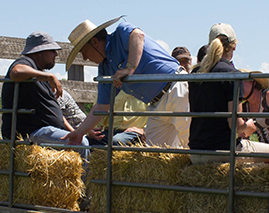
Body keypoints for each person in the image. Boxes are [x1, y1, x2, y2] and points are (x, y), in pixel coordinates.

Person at [63, 17, 184, 146]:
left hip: (175, 87)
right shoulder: (105, 68)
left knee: (191, 141)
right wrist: (80, 132)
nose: (85, 58)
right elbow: (102, 106)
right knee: (155, 154)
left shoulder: (121, 32)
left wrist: (129, 68)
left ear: (94, 42)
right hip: (156, 104)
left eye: (84, 52)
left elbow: (138, 34)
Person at [188, 24, 269, 164]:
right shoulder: (233, 75)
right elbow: (235, 125)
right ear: (234, 46)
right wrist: (248, 127)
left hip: (195, 152)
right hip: (224, 152)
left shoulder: (195, 74)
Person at [0, 31, 73, 143]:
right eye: (52, 51)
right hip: (28, 134)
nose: (56, 55)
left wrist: (74, 133)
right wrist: (49, 76)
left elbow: (55, 112)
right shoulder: (26, 62)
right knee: (81, 144)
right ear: (39, 52)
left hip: (45, 131)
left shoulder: (38, 74)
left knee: (81, 141)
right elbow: (16, 72)